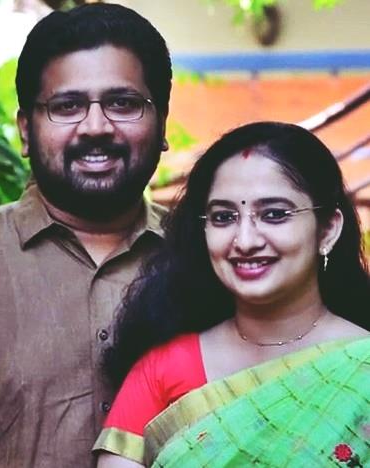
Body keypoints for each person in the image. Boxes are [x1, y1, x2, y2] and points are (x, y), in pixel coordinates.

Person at [0, 3, 171, 467]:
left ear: (163, 123)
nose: (96, 127)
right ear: (25, 131)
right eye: (67, 106)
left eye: (123, 103)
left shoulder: (211, 258)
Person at [94, 122, 370, 467]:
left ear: (327, 229)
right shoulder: (164, 369)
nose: (245, 241)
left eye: (274, 214)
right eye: (224, 217)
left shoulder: (362, 369)